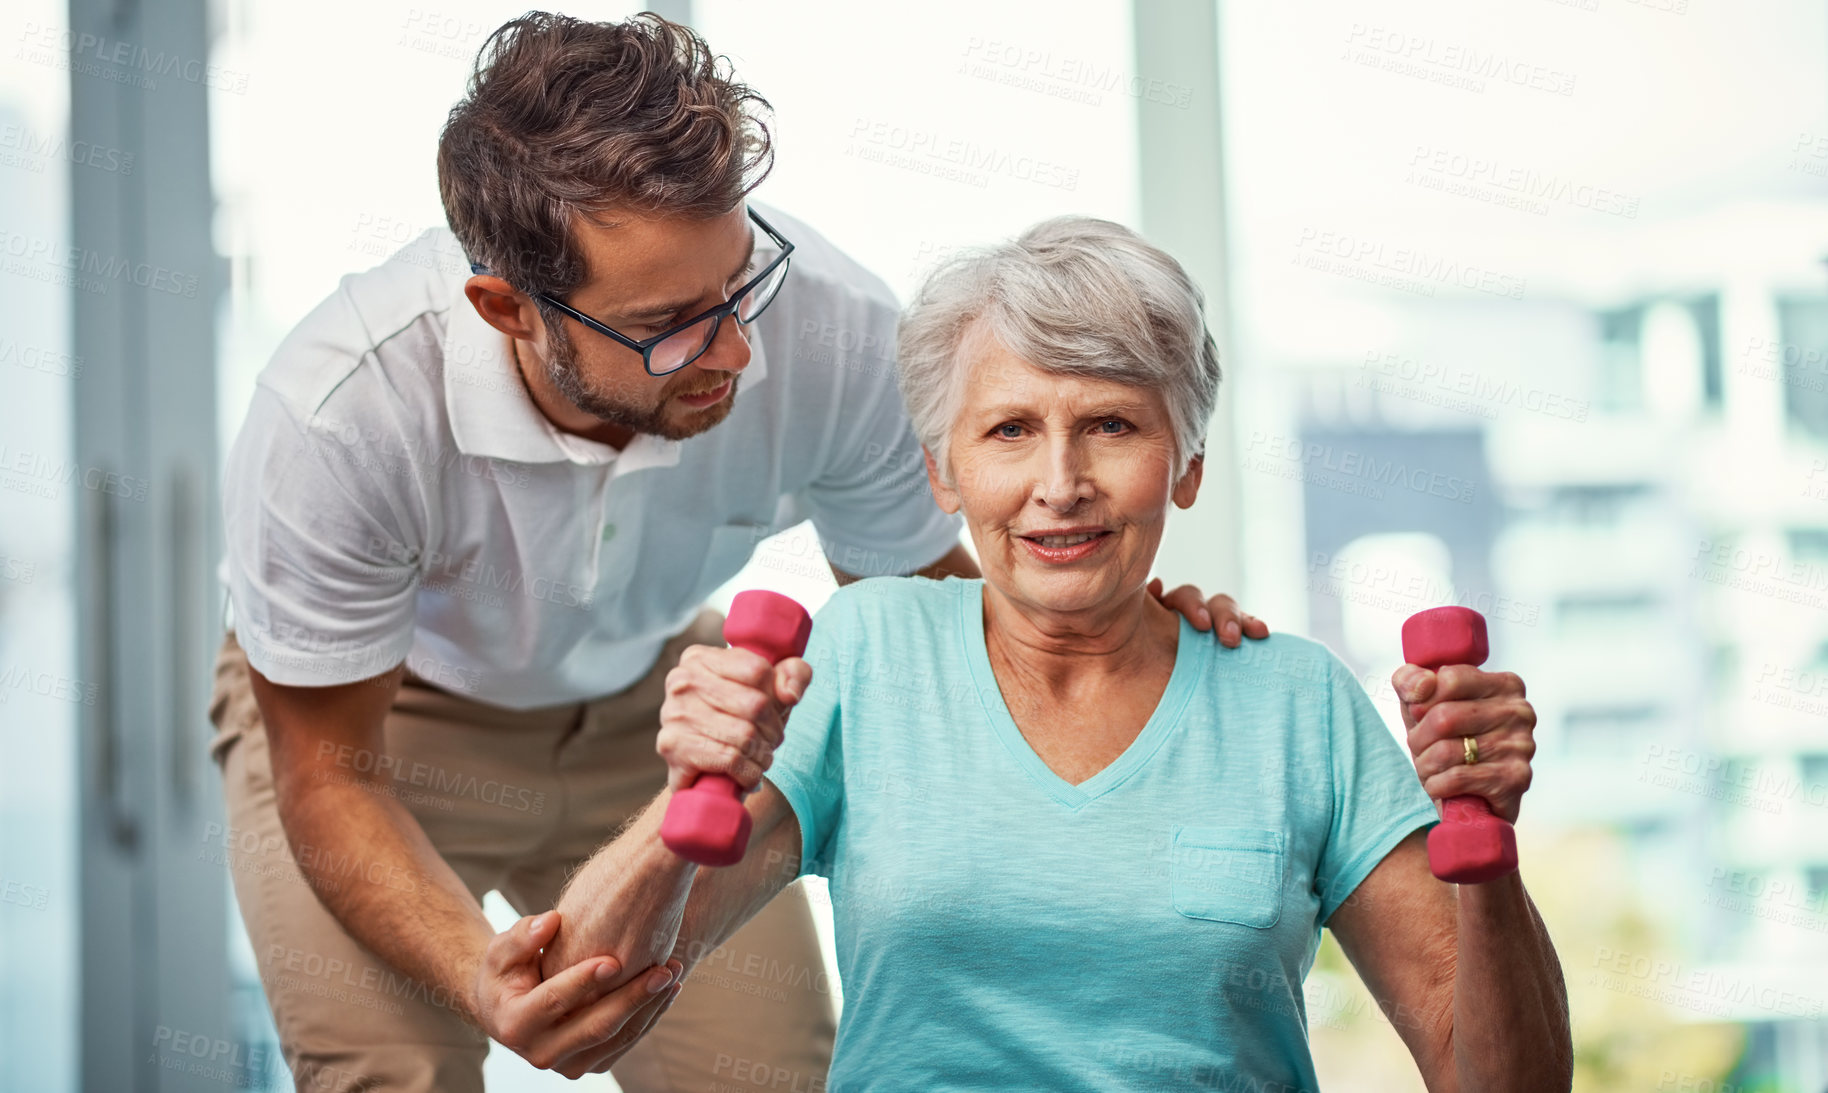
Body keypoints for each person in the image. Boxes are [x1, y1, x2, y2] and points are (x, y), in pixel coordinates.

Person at [207, 13, 1264, 1091]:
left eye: (740, 280)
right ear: (506, 309)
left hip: (661, 708)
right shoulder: (340, 410)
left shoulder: (837, 331)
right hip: (382, 730)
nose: (739, 348)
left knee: (763, 1077)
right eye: (669, 322)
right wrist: (482, 981)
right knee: (396, 1076)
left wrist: (1120, 630)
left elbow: (922, 615)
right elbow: (326, 773)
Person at [525, 215, 1575, 1090]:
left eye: (1112, 425)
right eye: (1010, 430)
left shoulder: (1295, 700)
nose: (1060, 481)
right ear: (941, 472)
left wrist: (1484, 840)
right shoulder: (865, 655)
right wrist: (687, 793)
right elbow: (581, 993)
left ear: (1189, 465)